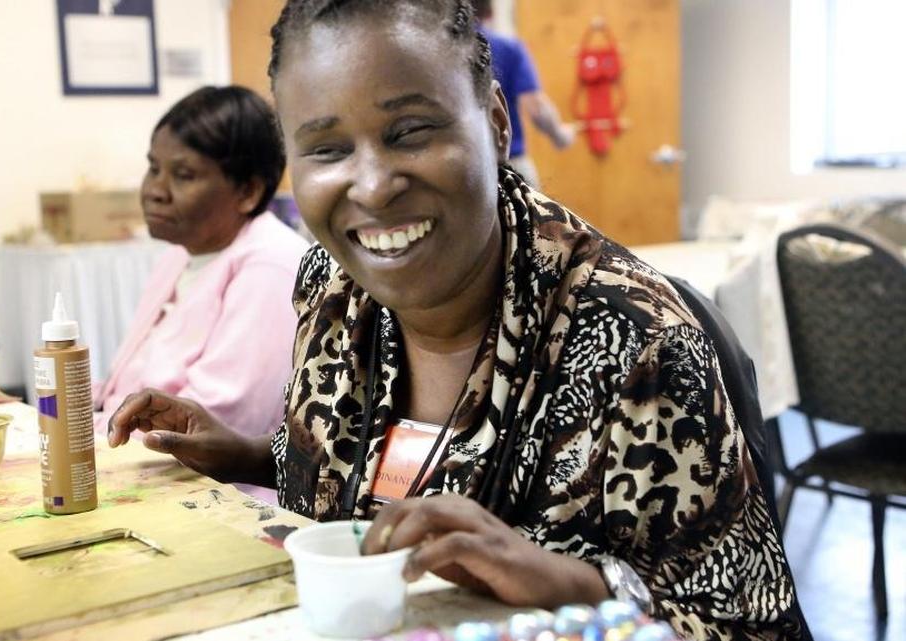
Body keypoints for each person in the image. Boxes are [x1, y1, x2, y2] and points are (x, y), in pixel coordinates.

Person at [108, 3, 808, 639]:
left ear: (497, 123)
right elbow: (360, 478)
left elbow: (743, 617)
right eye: (326, 149)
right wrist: (249, 451)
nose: (373, 184)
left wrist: (567, 580)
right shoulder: (331, 283)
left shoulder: (638, 342)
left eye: (410, 131)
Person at [94, 85, 308, 501]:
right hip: (137, 468)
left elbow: (219, 424)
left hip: (215, 496)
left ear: (247, 191)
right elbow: (127, 382)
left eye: (184, 175)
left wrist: (97, 436)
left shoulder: (272, 265)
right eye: (153, 168)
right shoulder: (181, 254)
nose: (156, 189)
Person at [474, 0, 575, 187]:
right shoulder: (507, 48)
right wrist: (559, 135)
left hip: (461, 170)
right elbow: (536, 108)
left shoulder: (436, 53)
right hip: (509, 166)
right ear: (490, 12)